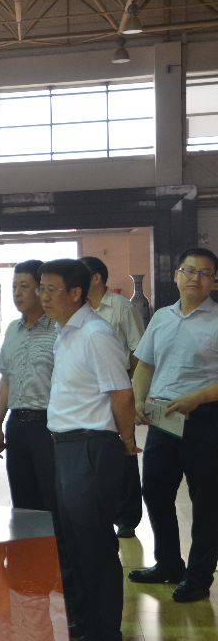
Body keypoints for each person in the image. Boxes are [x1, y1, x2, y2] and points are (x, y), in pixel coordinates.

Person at [40, 258, 136, 641]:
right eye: (42, 289)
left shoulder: (95, 333)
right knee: (74, 543)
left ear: (75, 292)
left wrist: (125, 442)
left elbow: (122, 394)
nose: (43, 297)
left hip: (91, 447)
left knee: (94, 545)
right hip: (67, 447)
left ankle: (105, 630)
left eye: (51, 290)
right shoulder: (66, 332)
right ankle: (82, 622)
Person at [128, 247, 218, 604]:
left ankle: (198, 577)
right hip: (163, 418)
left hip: (206, 419)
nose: (195, 278)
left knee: (206, 502)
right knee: (155, 491)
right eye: (189, 270)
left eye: (205, 273)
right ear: (176, 275)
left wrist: (199, 397)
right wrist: (138, 400)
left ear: (214, 282)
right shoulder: (161, 317)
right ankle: (168, 564)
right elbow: (145, 365)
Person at [80, 255, 145, 538]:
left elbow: (138, 350)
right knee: (93, 450)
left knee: (124, 450)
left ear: (96, 278)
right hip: (87, 394)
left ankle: (127, 516)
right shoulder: (78, 308)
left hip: (117, 389)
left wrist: (134, 390)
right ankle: (97, 509)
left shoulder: (121, 307)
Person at [0, 260, 58, 512]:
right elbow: (6, 379)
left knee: (52, 497)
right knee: (23, 501)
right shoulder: (12, 330)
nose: (17, 293)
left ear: (41, 290)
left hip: (48, 427)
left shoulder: (59, 330)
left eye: (24, 286)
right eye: (14, 287)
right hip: (17, 426)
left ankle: (56, 539)